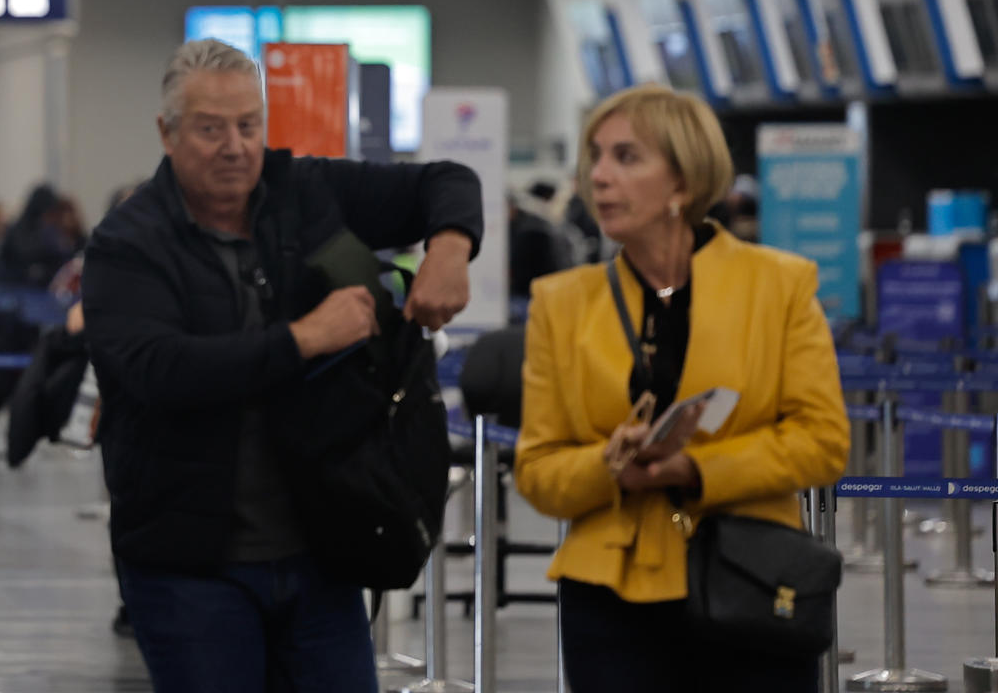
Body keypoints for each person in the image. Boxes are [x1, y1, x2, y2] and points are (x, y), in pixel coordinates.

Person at [82, 39, 483, 693]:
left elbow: (444, 181)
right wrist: (304, 338)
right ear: (168, 132)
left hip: (320, 548)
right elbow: (162, 371)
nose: (235, 146)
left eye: (249, 125)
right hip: (189, 562)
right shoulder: (128, 244)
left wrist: (451, 247)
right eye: (211, 129)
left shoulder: (304, 193)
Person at [514, 85, 849, 693]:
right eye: (595, 156)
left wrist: (693, 468)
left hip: (749, 578)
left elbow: (821, 441)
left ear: (684, 183)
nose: (600, 176)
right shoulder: (558, 305)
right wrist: (609, 463)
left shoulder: (780, 287)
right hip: (608, 596)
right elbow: (537, 469)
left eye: (626, 156)